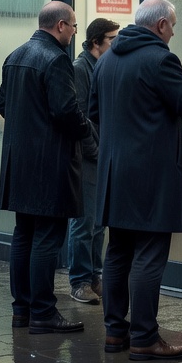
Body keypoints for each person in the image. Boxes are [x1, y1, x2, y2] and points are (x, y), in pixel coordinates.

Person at [91, 0, 182, 360]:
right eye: (174, 25)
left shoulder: (105, 60)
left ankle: (115, 334)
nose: (174, 31)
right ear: (162, 25)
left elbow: (93, 113)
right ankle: (144, 337)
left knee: (118, 251)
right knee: (150, 255)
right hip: (151, 175)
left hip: (114, 173)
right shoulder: (160, 59)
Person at [0, 2, 95, 334]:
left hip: (18, 162)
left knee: (23, 234)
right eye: (74, 27)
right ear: (61, 26)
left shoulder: (14, 56)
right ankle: (43, 311)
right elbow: (67, 110)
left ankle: (21, 310)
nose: (74, 33)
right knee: (47, 237)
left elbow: (2, 105)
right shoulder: (56, 60)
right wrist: (88, 130)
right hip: (49, 164)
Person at [66, 17, 118, 304]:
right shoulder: (80, 68)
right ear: (96, 41)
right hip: (88, 156)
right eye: (112, 39)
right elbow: (81, 117)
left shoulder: (102, 65)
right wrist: (95, 151)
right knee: (83, 222)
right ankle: (79, 281)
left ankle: (94, 276)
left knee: (99, 223)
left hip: (102, 153)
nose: (116, 43)